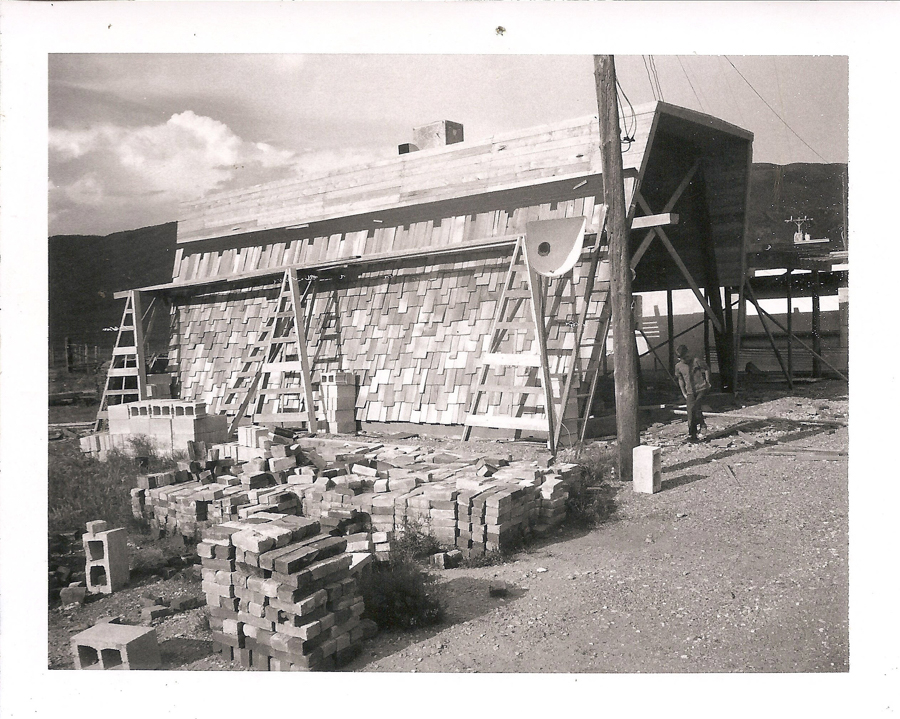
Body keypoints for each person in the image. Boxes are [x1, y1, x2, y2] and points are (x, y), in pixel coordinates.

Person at [674, 344, 711, 442]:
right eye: (683, 358)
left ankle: (703, 426)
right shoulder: (678, 367)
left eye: (687, 356)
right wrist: (684, 393)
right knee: (690, 413)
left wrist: (707, 382)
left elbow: (706, 368)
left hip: (701, 388)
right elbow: (680, 379)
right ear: (679, 358)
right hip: (690, 392)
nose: (686, 359)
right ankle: (692, 435)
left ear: (688, 353)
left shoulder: (696, 361)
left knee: (696, 407)